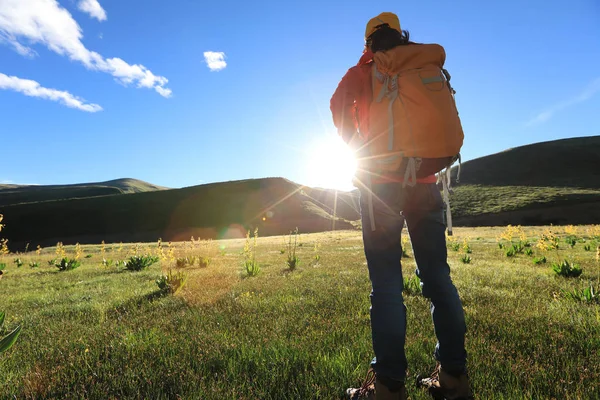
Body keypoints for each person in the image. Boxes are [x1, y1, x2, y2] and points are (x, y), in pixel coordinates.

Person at [330, 12, 473, 400]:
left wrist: (360, 146)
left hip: (381, 188)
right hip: (427, 183)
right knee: (438, 279)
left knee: (387, 287)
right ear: (401, 34)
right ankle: (453, 378)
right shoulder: (424, 64)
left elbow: (337, 111)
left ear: (368, 43)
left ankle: (390, 387)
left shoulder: (365, 71)